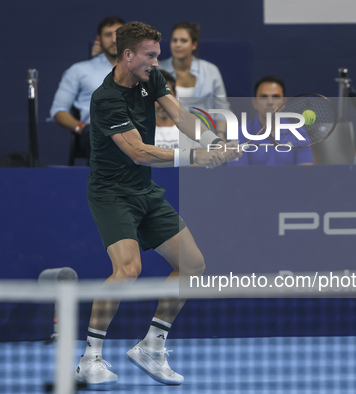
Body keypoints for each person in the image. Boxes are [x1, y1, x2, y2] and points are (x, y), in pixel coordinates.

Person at [76, 21, 240, 387]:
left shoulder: (151, 79)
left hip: (144, 191)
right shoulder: (106, 99)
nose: (156, 60)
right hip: (111, 194)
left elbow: (181, 116)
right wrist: (196, 158)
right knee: (128, 269)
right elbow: (137, 152)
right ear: (128, 54)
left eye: (156, 54)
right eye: (149, 55)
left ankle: (152, 345)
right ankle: (90, 357)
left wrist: (213, 142)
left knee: (193, 264)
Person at [49, 16, 124, 155]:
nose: (114, 40)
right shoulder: (78, 70)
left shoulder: (143, 70)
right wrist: (80, 128)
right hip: (97, 133)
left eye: (119, 34)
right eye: (108, 35)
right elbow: (58, 110)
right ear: (99, 39)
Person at [158, 22, 230, 139]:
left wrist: (220, 134)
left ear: (194, 45)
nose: (178, 45)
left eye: (183, 41)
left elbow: (222, 108)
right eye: (174, 40)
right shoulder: (157, 71)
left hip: (204, 136)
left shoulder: (211, 70)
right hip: (166, 137)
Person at [228, 76, 314, 166]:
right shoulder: (239, 133)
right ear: (255, 103)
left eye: (276, 97)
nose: (270, 102)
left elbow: (305, 174)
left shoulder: (299, 132)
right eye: (264, 97)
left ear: (284, 103)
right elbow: (238, 176)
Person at [154, 69, 201, 150]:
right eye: (156, 96)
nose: (162, 102)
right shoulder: (139, 130)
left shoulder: (192, 128)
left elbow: (203, 158)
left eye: (166, 96)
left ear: (175, 94)